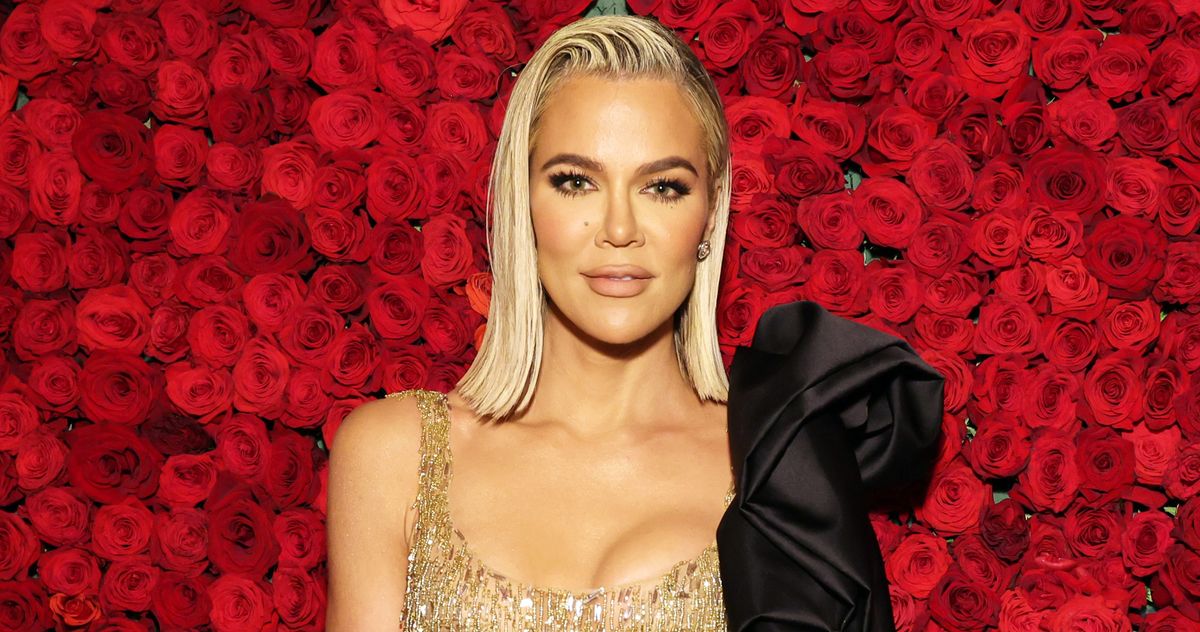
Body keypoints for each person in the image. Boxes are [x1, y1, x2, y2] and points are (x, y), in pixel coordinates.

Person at [325, 14, 945, 632]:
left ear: (710, 213)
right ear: (523, 201)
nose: (619, 230)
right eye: (576, 182)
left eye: (663, 188)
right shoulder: (396, 456)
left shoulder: (780, 466)